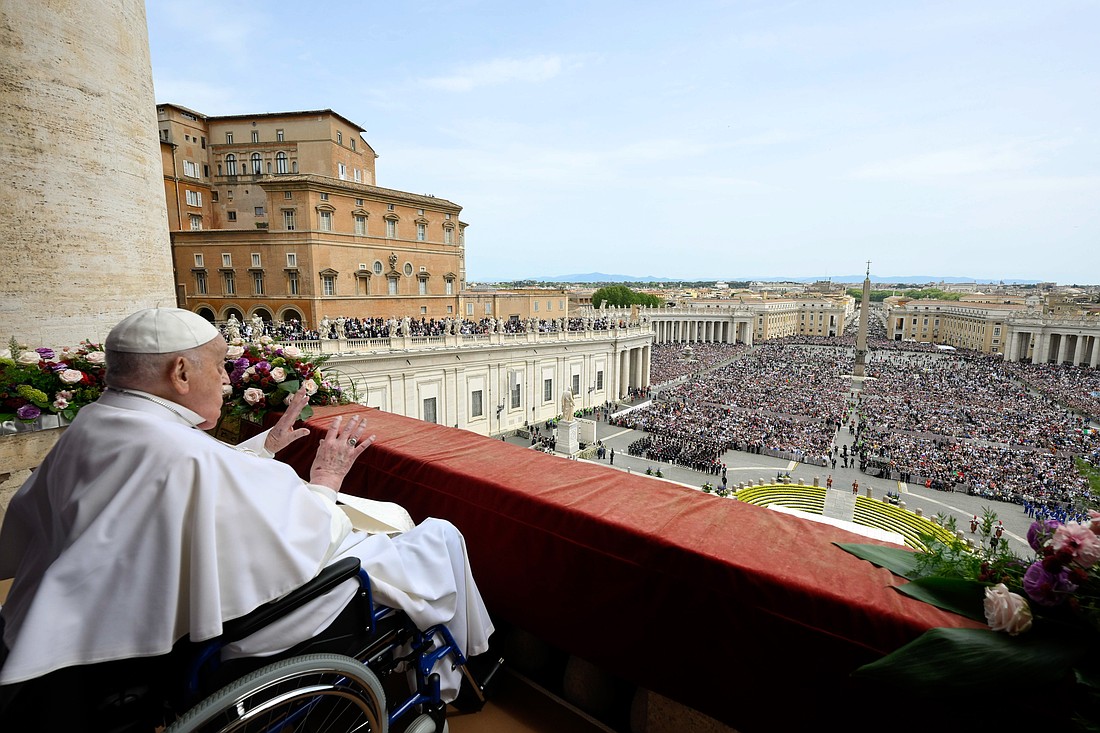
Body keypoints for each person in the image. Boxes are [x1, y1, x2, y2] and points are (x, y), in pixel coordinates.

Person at [0, 308, 493, 701]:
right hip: (250, 620)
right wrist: (324, 479)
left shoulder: (100, 419)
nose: (227, 380)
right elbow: (302, 534)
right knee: (438, 536)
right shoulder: (179, 449)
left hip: (111, 611)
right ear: (179, 372)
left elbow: (193, 481)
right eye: (218, 367)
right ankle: (464, 665)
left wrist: (266, 446)